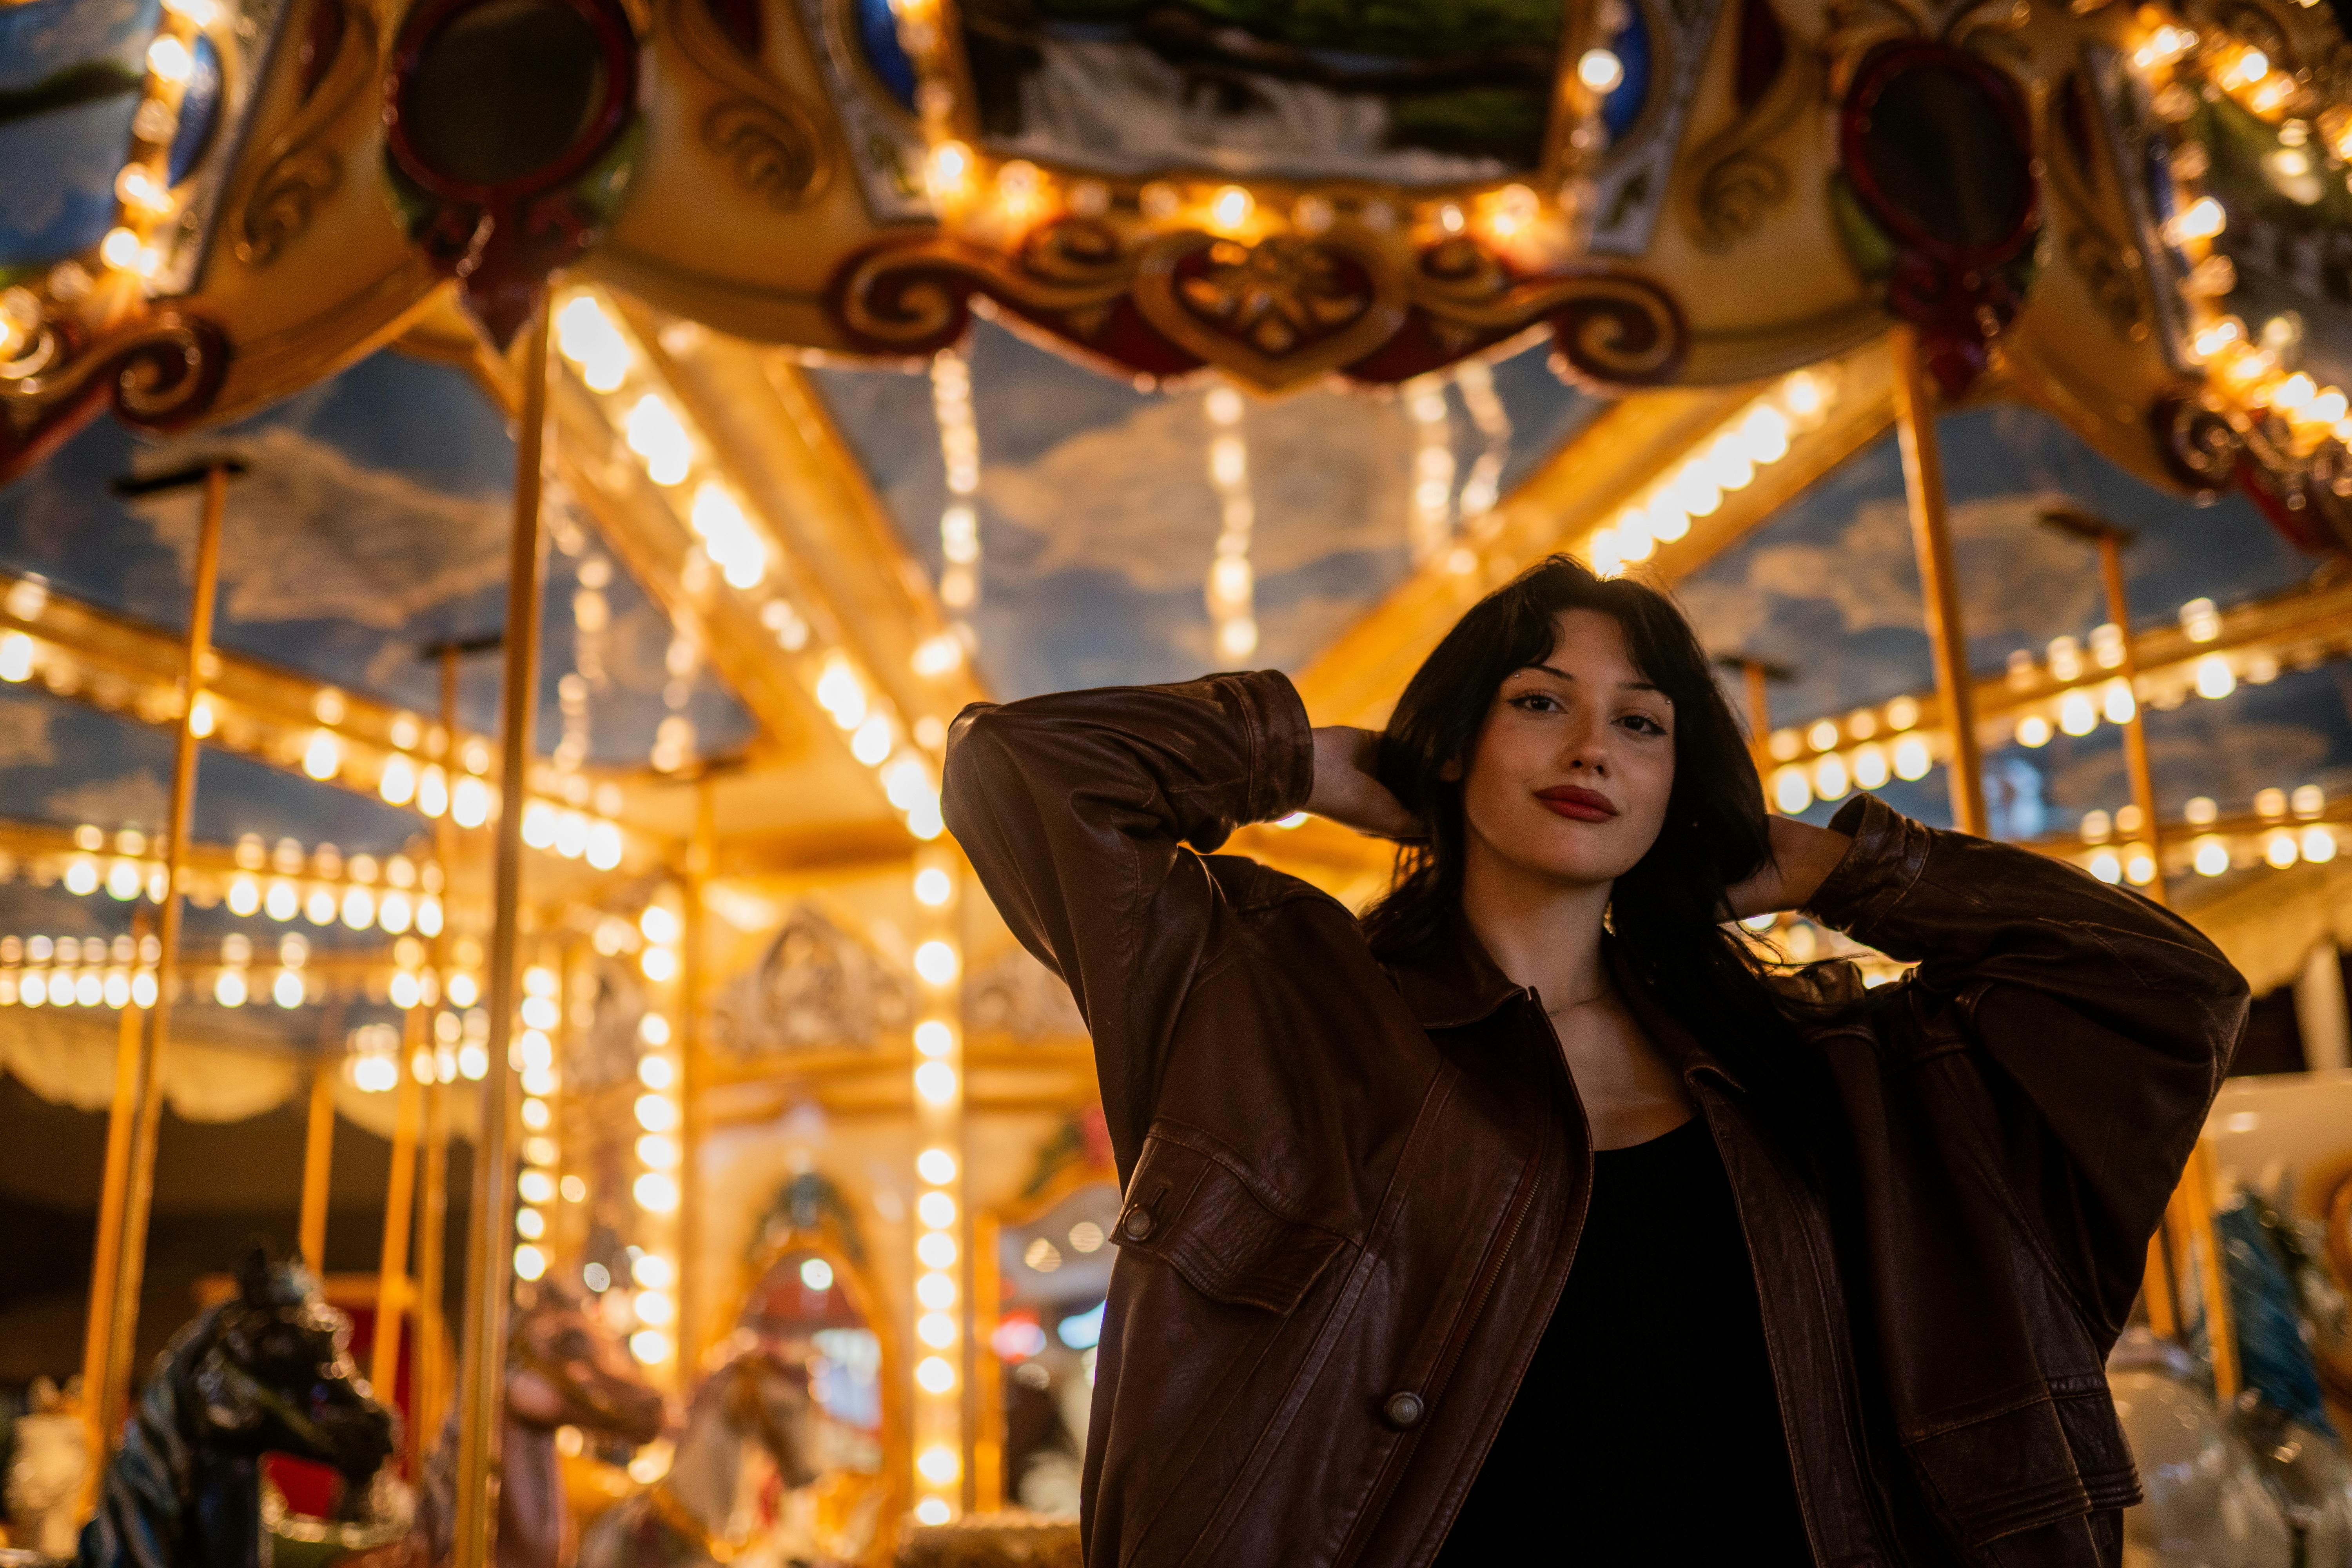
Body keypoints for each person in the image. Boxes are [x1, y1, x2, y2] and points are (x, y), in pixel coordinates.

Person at [942, 555, 2247, 1567]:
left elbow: (2165, 993)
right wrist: (1300, 759)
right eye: (1538, 703)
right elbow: (1022, 771)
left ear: (1682, 782)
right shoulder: (1276, 1011)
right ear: (1451, 746)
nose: (1590, 751)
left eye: (1642, 726)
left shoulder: (1826, 1075)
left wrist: (1849, 871)